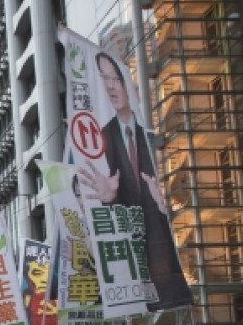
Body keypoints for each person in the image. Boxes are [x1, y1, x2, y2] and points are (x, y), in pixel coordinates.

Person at [77, 51, 188, 310]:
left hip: (167, 256)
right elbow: (116, 217)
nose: (109, 86)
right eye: (103, 79)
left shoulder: (152, 138)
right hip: (136, 262)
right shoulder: (101, 139)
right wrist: (110, 199)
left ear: (126, 82)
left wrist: (162, 206)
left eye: (113, 78)